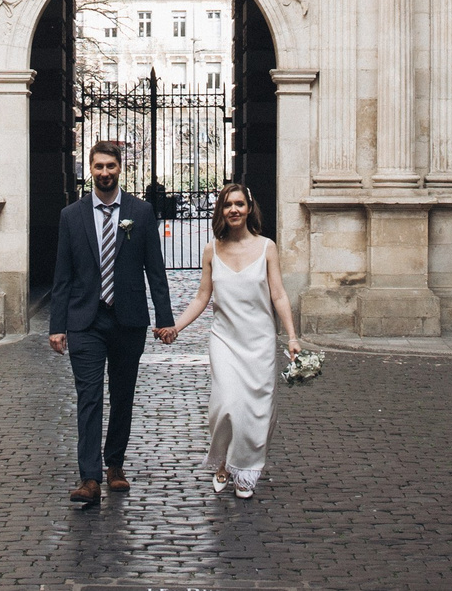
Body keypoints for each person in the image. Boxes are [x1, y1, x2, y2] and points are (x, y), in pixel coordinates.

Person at [48, 139, 176, 508]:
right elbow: (62, 275)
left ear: (120, 169)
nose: (105, 172)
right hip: (84, 320)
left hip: (128, 319)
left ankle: (114, 464)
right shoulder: (71, 216)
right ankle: (89, 477)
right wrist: (57, 325)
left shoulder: (141, 212)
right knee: (88, 397)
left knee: (122, 396)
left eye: (111, 166)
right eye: (99, 166)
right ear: (90, 169)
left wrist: (165, 319)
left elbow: (155, 269)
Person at [167, 182, 299, 500]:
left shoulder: (267, 248)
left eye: (239, 204)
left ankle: (244, 470)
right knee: (226, 404)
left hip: (260, 342)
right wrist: (176, 327)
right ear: (221, 211)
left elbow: (279, 295)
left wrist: (292, 337)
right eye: (228, 205)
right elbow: (202, 297)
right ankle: (225, 459)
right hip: (225, 340)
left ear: (249, 208)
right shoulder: (212, 249)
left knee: (255, 411)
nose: (234, 210)